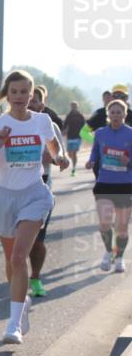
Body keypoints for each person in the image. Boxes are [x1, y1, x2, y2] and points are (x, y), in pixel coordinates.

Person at [0, 70, 67, 345]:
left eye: (24, 92)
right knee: (10, 261)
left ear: (32, 94)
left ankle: (13, 325)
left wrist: (59, 158)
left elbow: (53, 147)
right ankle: (21, 302)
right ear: (7, 94)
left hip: (34, 194)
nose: (19, 97)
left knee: (18, 258)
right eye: (14, 92)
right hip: (4, 196)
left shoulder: (42, 120)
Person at [86, 99, 132, 273]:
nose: (115, 115)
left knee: (121, 227)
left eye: (119, 112)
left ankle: (119, 257)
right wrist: (91, 161)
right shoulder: (100, 133)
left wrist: (129, 162)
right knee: (105, 223)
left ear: (124, 114)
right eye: (112, 112)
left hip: (125, 185)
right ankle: (107, 252)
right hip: (104, 183)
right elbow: (95, 151)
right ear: (108, 115)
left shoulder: (130, 133)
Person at [27, 120, 69, 297]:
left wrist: (56, 158)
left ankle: (35, 278)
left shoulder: (48, 126)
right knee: (14, 243)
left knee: (36, 241)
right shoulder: (7, 124)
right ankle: (17, 287)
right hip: (13, 187)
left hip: (41, 184)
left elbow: (60, 156)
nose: (31, 105)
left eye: (35, 101)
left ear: (41, 104)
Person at [62, 101, 86, 176]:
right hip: (70, 137)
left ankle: (74, 168)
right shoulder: (69, 115)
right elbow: (65, 125)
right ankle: (72, 161)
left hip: (78, 137)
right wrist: (64, 131)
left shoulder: (80, 116)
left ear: (77, 107)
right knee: (69, 153)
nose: (73, 107)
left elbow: (84, 126)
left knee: (74, 153)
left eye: (75, 106)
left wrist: (85, 134)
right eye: (72, 106)